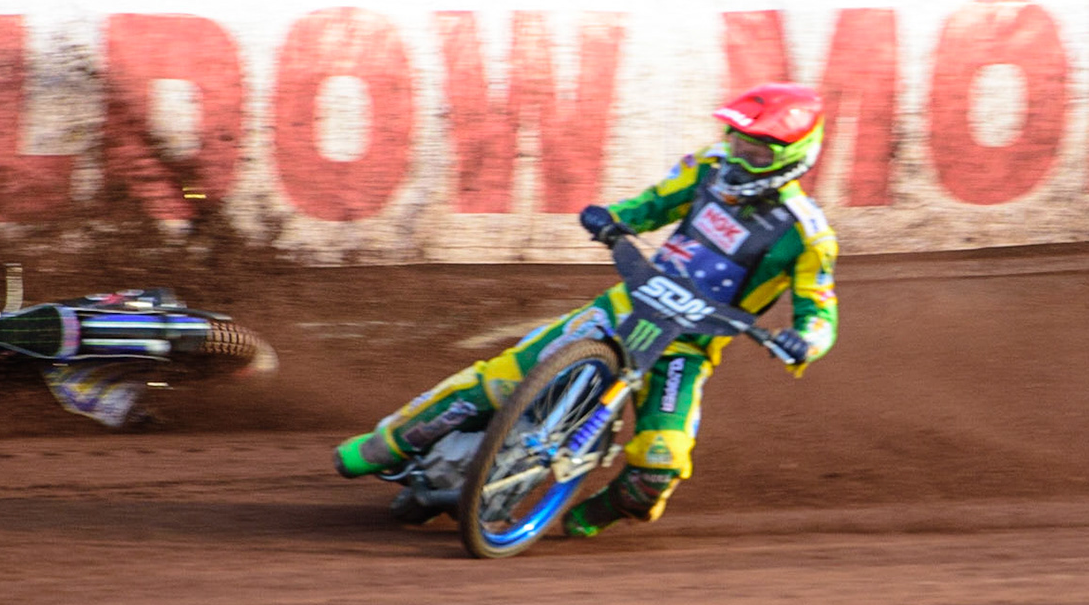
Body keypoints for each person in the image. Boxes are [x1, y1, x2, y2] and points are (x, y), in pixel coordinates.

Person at [333, 82, 840, 540]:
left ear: (792, 158)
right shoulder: (709, 167)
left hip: (684, 348)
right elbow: (655, 204)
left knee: (659, 466)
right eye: (736, 139)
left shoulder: (807, 235)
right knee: (502, 380)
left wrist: (805, 341)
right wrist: (614, 218)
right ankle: (385, 446)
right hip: (626, 308)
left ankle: (590, 514)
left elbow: (819, 312)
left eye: (755, 149)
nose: (739, 153)